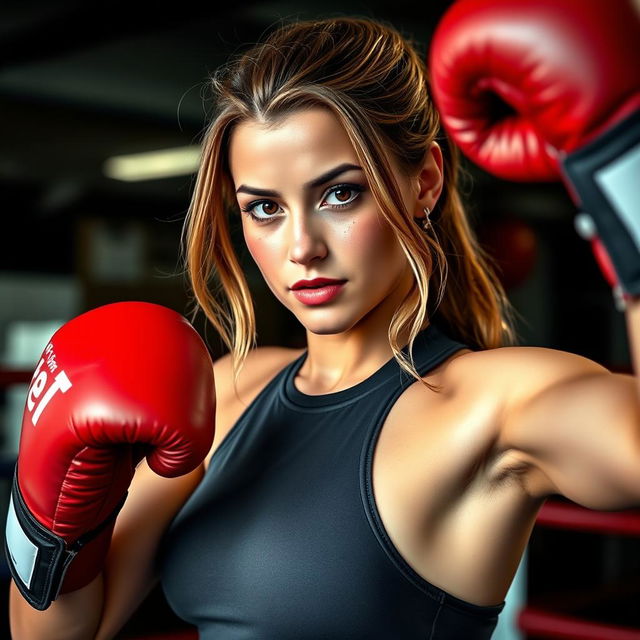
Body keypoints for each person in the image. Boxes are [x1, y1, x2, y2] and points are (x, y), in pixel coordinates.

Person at [7, 7, 640, 640]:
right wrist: (47, 516)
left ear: (424, 182)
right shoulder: (231, 390)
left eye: (340, 193)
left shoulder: (496, 402)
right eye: (264, 208)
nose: (301, 246)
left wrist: (623, 163)